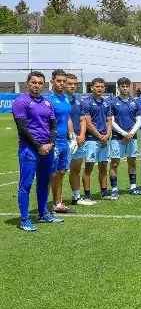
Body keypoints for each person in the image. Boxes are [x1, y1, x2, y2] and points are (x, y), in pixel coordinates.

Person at [13, 71, 63, 231]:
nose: (37, 85)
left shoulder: (47, 103)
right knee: (26, 185)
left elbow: (53, 126)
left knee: (44, 183)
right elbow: (22, 128)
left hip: (47, 149)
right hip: (29, 149)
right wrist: (38, 146)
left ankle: (43, 214)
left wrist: (51, 144)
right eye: (34, 82)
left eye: (40, 83)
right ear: (27, 83)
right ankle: (25, 219)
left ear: (44, 85)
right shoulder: (21, 101)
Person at [45, 69, 74, 213]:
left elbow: (68, 118)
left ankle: (58, 204)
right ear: (52, 81)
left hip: (64, 141)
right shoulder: (48, 99)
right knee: (51, 174)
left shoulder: (66, 98)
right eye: (59, 81)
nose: (62, 84)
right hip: (53, 141)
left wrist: (72, 135)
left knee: (61, 172)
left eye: (64, 81)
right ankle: (43, 207)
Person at [109, 77, 141, 198]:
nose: (125, 88)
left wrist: (130, 134)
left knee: (132, 162)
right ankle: (114, 189)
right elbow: (111, 122)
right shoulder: (113, 102)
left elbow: (139, 120)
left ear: (129, 87)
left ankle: (133, 188)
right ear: (118, 88)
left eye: (127, 86)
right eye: (122, 86)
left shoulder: (135, 102)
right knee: (115, 163)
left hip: (132, 138)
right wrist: (124, 134)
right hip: (117, 138)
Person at [82, 78, 112, 201]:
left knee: (103, 165)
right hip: (91, 140)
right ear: (92, 88)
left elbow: (109, 121)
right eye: (97, 86)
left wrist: (107, 135)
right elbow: (88, 123)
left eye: (102, 87)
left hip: (104, 139)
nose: (99, 88)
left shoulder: (106, 103)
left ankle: (104, 192)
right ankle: (87, 194)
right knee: (89, 166)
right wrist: (100, 136)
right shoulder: (87, 102)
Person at [66, 73, 91, 206]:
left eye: (75, 84)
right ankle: (51, 203)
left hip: (79, 140)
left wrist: (81, 136)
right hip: (64, 140)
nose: (73, 86)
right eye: (70, 83)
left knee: (76, 169)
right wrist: (74, 137)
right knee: (58, 172)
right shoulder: (59, 99)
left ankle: (76, 197)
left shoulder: (78, 99)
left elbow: (83, 119)